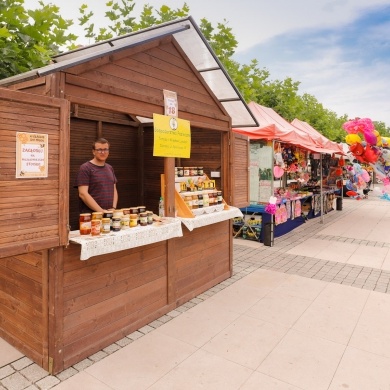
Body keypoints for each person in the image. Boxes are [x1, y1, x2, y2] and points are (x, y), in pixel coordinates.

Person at [75, 138, 118, 213]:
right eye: (99, 150)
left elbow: (114, 189)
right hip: (91, 216)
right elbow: (83, 193)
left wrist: (113, 208)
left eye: (105, 149)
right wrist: (101, 211)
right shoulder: (85, 168)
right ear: (93, 152)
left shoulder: (110, 168)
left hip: (109, 215)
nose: (103, 152)